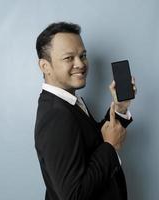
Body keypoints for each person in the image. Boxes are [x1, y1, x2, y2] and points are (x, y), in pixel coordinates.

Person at [34, 22, 136, 200]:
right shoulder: (56, 116)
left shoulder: (66, 102)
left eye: (83, 55)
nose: (80, 64)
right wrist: (110, 147)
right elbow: (74, 195)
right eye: (68, 58)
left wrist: (119, 108)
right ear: (45, 66)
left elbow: (91, 145)